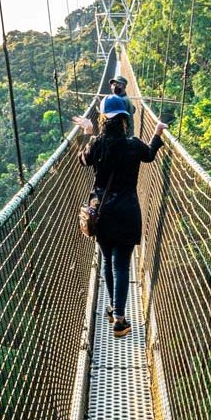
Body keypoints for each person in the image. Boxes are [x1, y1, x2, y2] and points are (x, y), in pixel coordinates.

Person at [78, 94, 165, 338]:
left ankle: (113, 309)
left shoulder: (97, 144)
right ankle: (119, 318)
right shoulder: (133, 144)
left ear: (103, 118)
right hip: (127, 212)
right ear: (125, 119)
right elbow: (150, 154)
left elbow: (82, 160)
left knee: (108, 261)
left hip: (102, 213)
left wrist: (87, 133)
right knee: (122, 266)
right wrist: (157, 131)